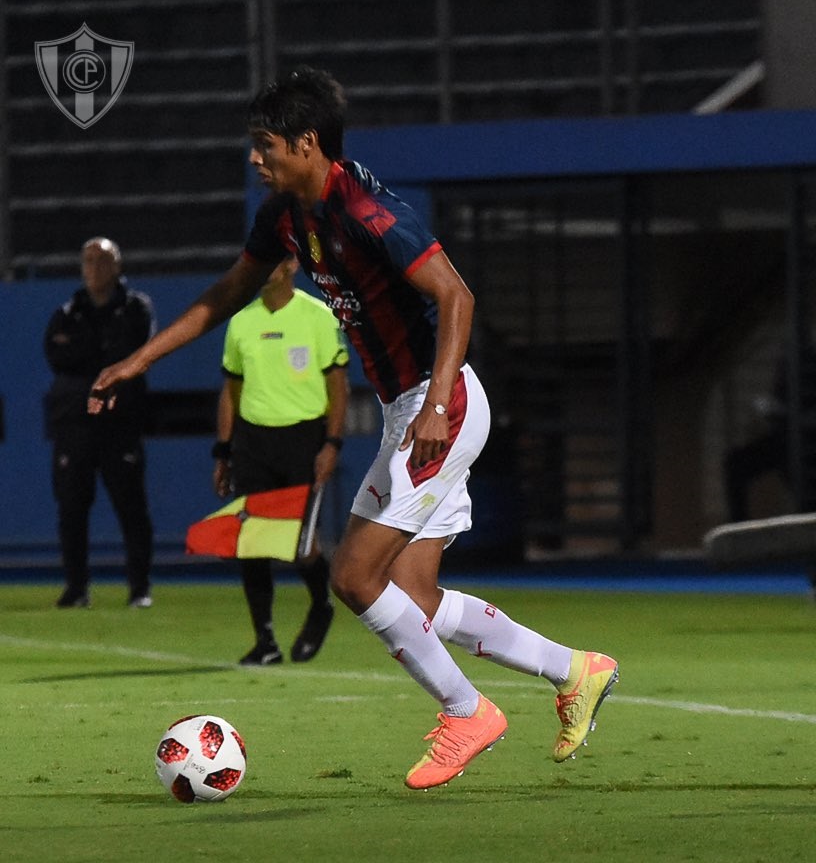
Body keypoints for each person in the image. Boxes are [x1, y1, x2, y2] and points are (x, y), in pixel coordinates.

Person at [88, 67, 618, 790]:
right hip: (414, 408)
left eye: (264, 145)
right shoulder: (283, 216)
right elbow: (227, 294)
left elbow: (457, 296)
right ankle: (575, 670)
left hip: (443, 404)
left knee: (354, 575)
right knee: (413, 594)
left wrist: (434, 408)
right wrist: (138, 359)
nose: (255, 159)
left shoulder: (368, 211)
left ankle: (467, 711)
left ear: (306, 144)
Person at [213, 255, 349, 666]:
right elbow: (231, 391)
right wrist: (223, 451)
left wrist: (332, 443)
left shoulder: (318, 316)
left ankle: (321, 603)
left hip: (303, 440)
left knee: (300, 545)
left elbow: (338, 386)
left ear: (290, 263)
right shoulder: (241, 322)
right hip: (253, 443)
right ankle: (265, 641)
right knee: (252, 544)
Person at [44, 237, 156, 609]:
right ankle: (76, 588)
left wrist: (91, 357)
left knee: (131, 508)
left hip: (119, 423)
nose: (94, 268)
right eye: (88, 260)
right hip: (74, 426)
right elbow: (56, 354)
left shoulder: (136, 308)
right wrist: (102, 356)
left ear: (118, 266)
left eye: (103, 260)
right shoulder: (68, 311)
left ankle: (139, 588)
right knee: (71, 508)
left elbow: (129, 353)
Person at [724, 341, 816, 521]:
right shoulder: (790, 367)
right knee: (735, 464)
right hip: (785, 441)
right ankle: (739, 527)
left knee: (809, 498)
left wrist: (786, 412)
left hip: (808, 445)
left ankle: (814, 535)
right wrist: (776, 411)